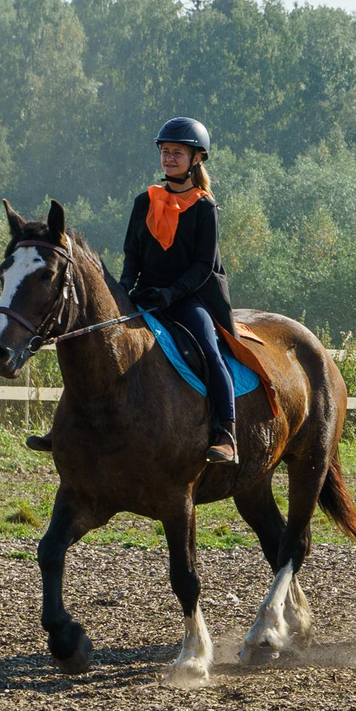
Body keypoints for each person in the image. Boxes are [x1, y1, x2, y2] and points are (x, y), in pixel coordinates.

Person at [123, 117, 239, 465]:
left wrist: (172, 294)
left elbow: (204, 265)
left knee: (209, 350)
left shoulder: (205, 207)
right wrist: (124, 291)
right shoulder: (144, 200)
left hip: (190, 298)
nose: (168, 158)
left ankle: (226, 432)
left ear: (196, 159)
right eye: (164, 152)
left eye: (176, 153)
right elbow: (132, 253)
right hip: (145, 294)